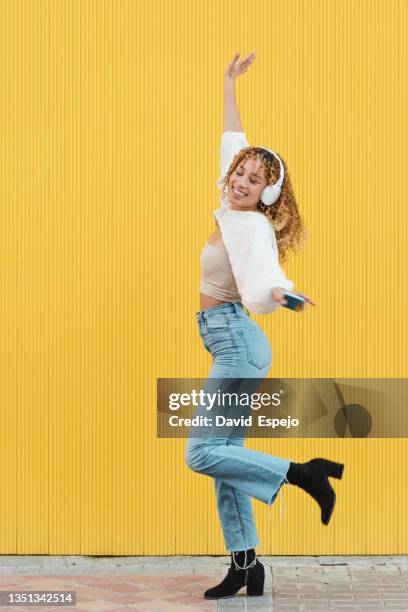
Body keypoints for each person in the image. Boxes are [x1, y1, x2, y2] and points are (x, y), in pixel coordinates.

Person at [185, 51, 344, 600]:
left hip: (237, 340)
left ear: (265, 194)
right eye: (240, 173)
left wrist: (282, 293)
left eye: (254, 180)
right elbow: (234, 137)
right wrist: (228, 81)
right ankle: (246, 565)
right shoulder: (228, 204)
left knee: (201, 451)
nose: (241, 181)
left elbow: (263, 277)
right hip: (227, 339)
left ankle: (303, 473)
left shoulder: (251, 227)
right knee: (225, 460)